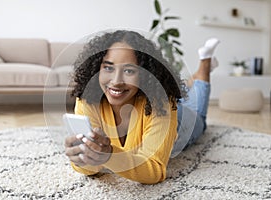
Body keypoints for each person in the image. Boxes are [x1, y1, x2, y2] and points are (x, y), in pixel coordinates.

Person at [64, 30, 220, 184]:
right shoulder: (88, 99)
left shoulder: (162, 103)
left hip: (175, 120)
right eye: (108, 68)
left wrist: (110, 156)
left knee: (199, 116)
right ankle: (196, 77)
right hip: (154, 109)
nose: (116, 81)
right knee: (185, 97)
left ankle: (204, 65)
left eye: (129, 70)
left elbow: (154, 169)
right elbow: (91, 168)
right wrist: (83, 158)